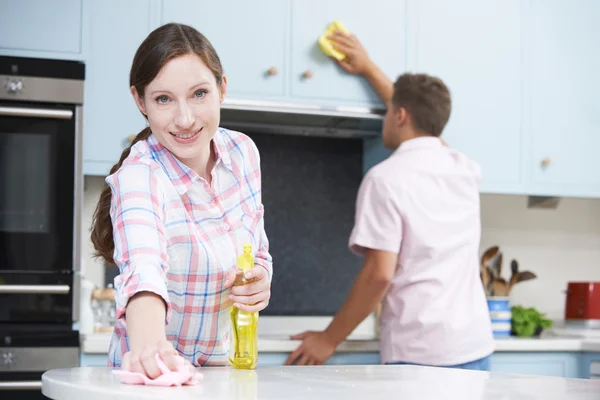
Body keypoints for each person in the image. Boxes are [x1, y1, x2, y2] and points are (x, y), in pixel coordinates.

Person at [286, 31, 494, 370]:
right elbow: (425, 125)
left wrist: (328, 339)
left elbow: (378, 275)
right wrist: (369, 69)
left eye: (389, 112)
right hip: (475, 347)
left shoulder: (385, 179)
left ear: (399, 116)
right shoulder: (464, 168)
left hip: (421, 354)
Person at [90, 23, 273, 378]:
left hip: (221, 377)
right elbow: (143, 273)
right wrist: (149, 344)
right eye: (163, 99)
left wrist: (259, 279)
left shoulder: (242, 155)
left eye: (199, 94)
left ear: (222, 88)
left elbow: (258, 251)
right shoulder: (139, 176)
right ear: (139, 101)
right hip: (152, 376)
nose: (185, 119)